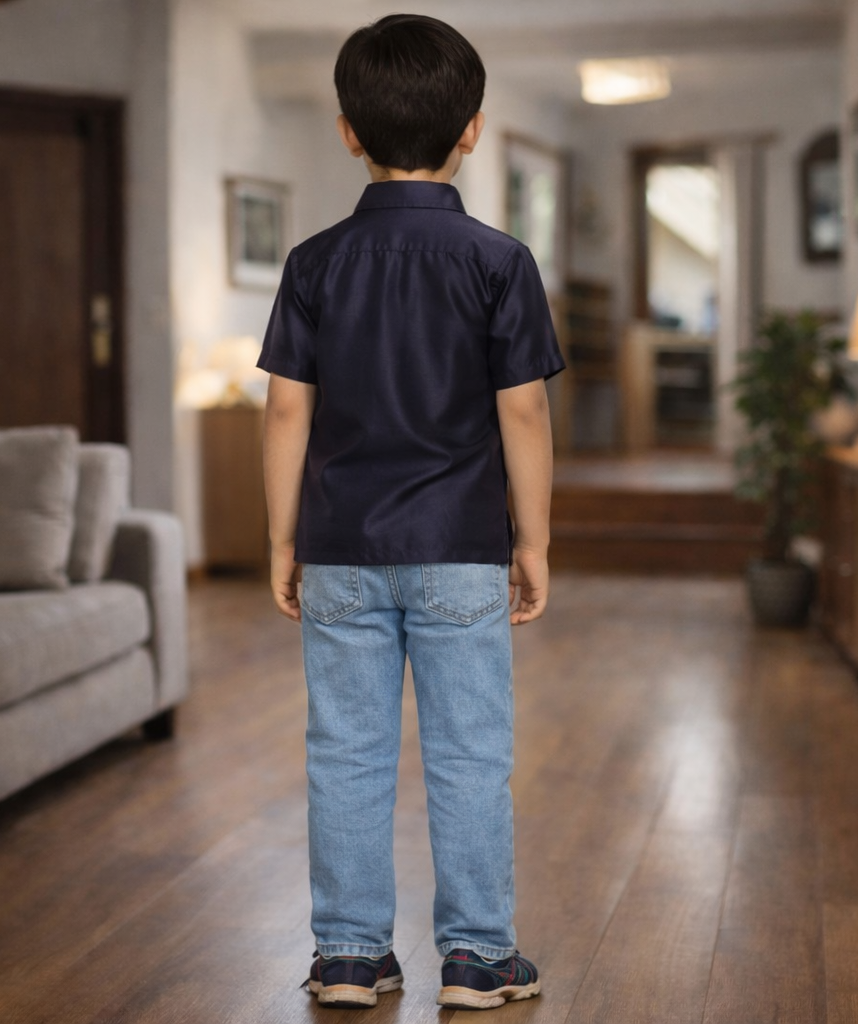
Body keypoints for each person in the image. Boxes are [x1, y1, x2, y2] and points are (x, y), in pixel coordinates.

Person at [258, 12, 564, 1012]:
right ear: (471, 128)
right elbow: (522, 410)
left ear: (347, 130)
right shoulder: (500, 261)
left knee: (344, 750)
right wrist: (534, 540)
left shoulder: (312, 263)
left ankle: (348, 955)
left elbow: (285, 408)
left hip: (342, 546)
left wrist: (279, 539)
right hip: (461, 550)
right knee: (470, 752)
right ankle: (477, 958)